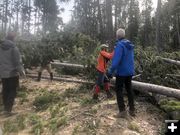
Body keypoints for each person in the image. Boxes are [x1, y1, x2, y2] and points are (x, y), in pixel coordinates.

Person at [108, 28, 135, 117]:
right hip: (130, 71)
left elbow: (116, 61)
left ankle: (122, 111)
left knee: (118, 90)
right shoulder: (129, 45)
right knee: (129, 89)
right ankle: (132, 110)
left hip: (122, 72)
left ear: (117, 36)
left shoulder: (120, 45)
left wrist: (110, 71)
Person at [0, 32, 25, 115]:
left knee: (5, 90)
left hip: (3, 73)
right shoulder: (14, 48)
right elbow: (17, 62)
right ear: (13, 39)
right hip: (12, 73)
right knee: (12, 90)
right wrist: (22, 73)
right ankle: (8, 110)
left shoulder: (0, 47)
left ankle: (5, 108)